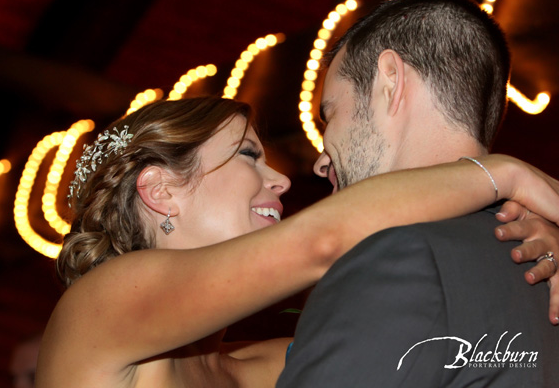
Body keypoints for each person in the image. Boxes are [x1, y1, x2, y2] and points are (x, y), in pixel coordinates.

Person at [35, 96, 559, 388]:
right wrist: (504, 176)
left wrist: (523, 249)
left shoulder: (269, 365)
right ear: (161, 190)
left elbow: (446, 339)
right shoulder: (98, 308)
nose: (282, 180)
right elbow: (323, 241)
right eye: (247, 155)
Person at [276, 0, 559, 387]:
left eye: (330, 114)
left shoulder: (394, 257)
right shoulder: (541, 263)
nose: (321, 160)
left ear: (390, 82)